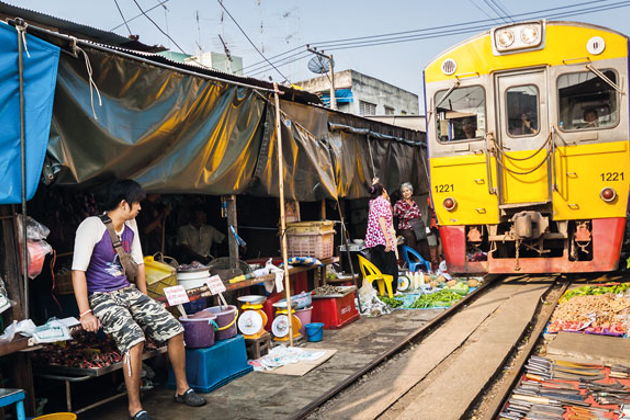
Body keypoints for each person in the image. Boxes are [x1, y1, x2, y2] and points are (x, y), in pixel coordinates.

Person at [71, 180, 206, 420]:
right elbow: (77, 271)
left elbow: (139, 264)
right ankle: (135, 407)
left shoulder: (130, 224)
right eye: (137, 203)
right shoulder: (91, 226)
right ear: (123, 204)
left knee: (174, 328)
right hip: (101, 296)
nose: (140, 208)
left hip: (127, 290)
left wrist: (144, 299)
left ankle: (182, 389)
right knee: (134, 339)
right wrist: (85, 313)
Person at [364, 181, 398, 287]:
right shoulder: (383, 203)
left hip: (373, 239)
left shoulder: (372, 202)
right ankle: (391, 290)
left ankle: (380, 289)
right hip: (382, 238)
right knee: (390, 265)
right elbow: (381, 220)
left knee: (378, 265)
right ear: (383, 191)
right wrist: (387, 240)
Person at [393, 182, 431, 262]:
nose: (406, 193)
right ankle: (414, 259)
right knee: (411, 238)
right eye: (404, 191)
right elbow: (395, 215)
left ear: (411, 191)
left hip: (417, 226)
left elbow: (419, 215)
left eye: (408, 190)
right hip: (406, 227)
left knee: (423, 241)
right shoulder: (399, 204)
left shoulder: (414, 203)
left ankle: (426, 261)